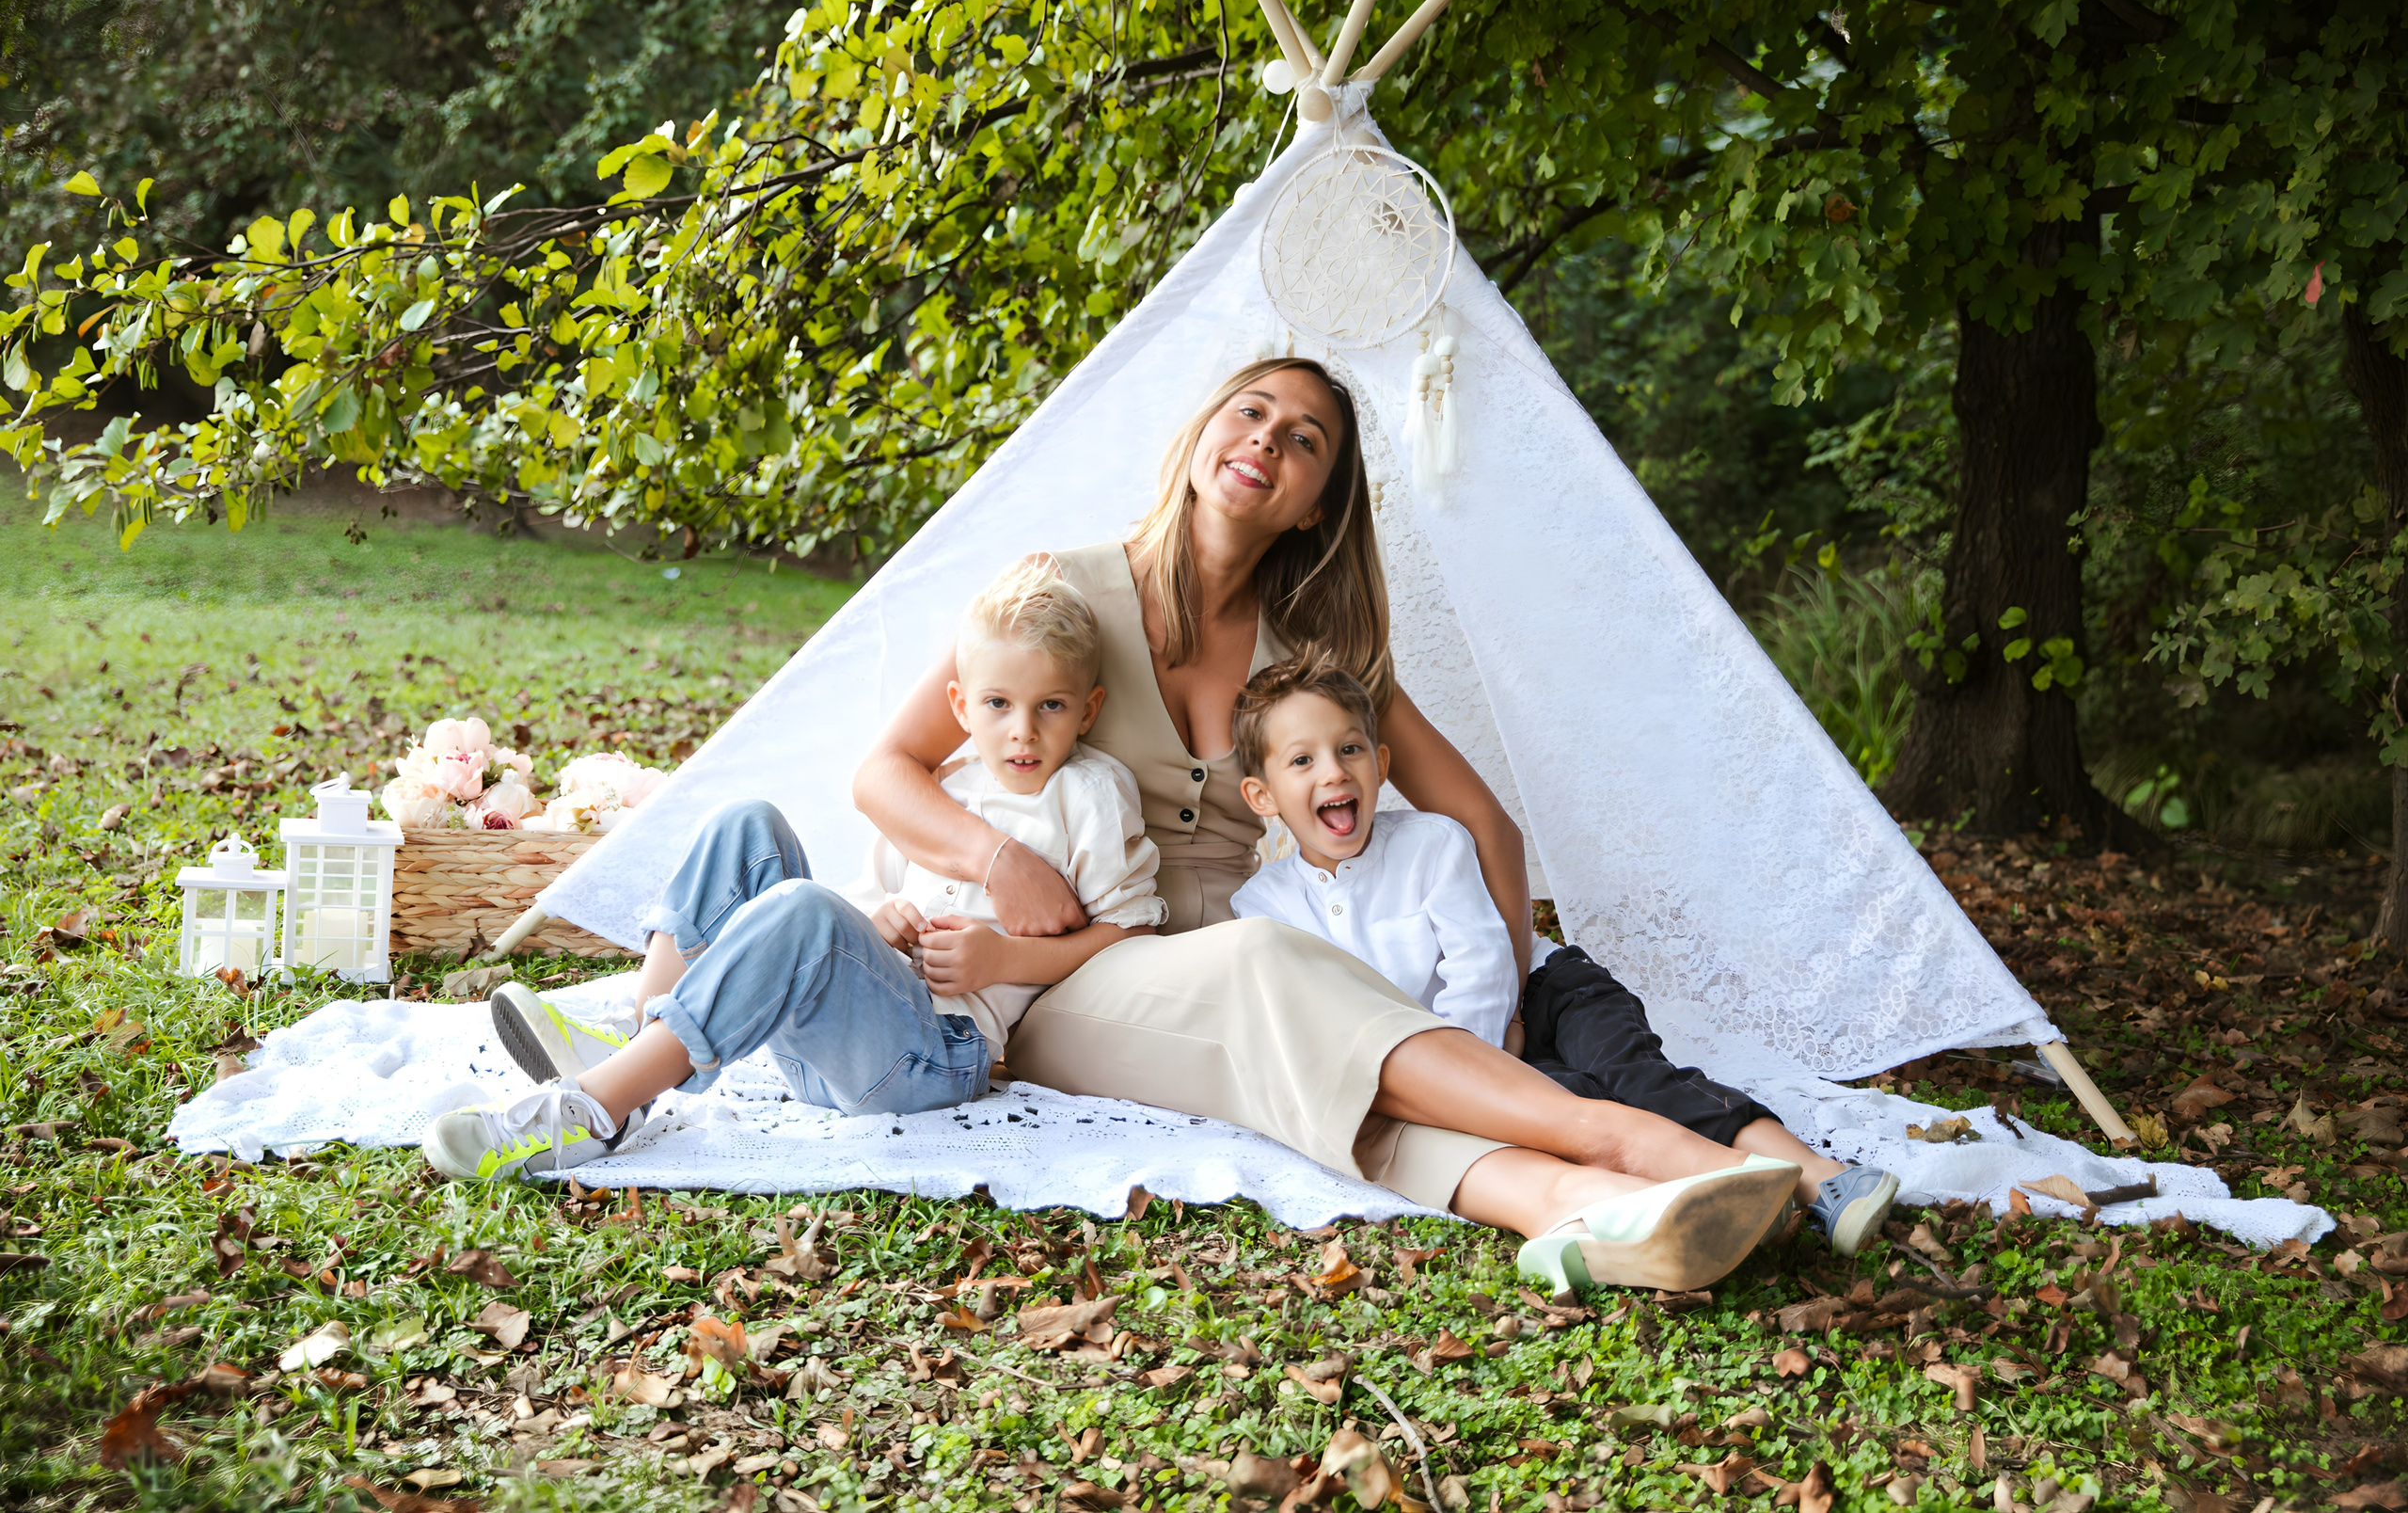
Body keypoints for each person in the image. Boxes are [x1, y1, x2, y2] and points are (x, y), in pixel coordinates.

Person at [850, 357, 1809, 1292]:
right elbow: (884, 771)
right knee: (1274, 973)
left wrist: (1508, 991)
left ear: (1314, 503)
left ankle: (1569, 1202)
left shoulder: (1309, 658)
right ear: (1203, 434)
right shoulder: (1061, 594)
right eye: (1251, 411)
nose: (1266, 437)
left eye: (1302, 439)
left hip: (1253, 960)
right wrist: (1000, 856)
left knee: (1329, 1056)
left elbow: (1479, 819)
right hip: (1071, 980)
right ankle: (1636, 1141)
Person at [420, 564, 1165, 1181]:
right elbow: (884, 915)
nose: (1022, 730)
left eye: (1052, 706)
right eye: (998, 704)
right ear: (960, 706)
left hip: (936, 1061)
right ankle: (642, 1031)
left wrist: (1005, 957)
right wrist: (880, 930)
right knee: (749, 827)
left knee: (807, 911)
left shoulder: (1091, 796)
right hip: (836, 1051)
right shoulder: (949, 783)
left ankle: (602, 1107)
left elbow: (1126, 932)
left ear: (1089, 709)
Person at [1225, 651, 1900, 1259]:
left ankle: (1828, 1182)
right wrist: (1482, 1082)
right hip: (1458, 1061)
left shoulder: (1431, 843)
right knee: (1567, 1109)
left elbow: (1484, 965)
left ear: (1382, 763)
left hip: (1544, 992)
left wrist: (1480, 1069)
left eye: (1350, 749)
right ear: (1262, 795)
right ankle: (1717, 1197)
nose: (1335, 772)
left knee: (1632, 1075)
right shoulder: (1266, 908)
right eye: (1303, 760)